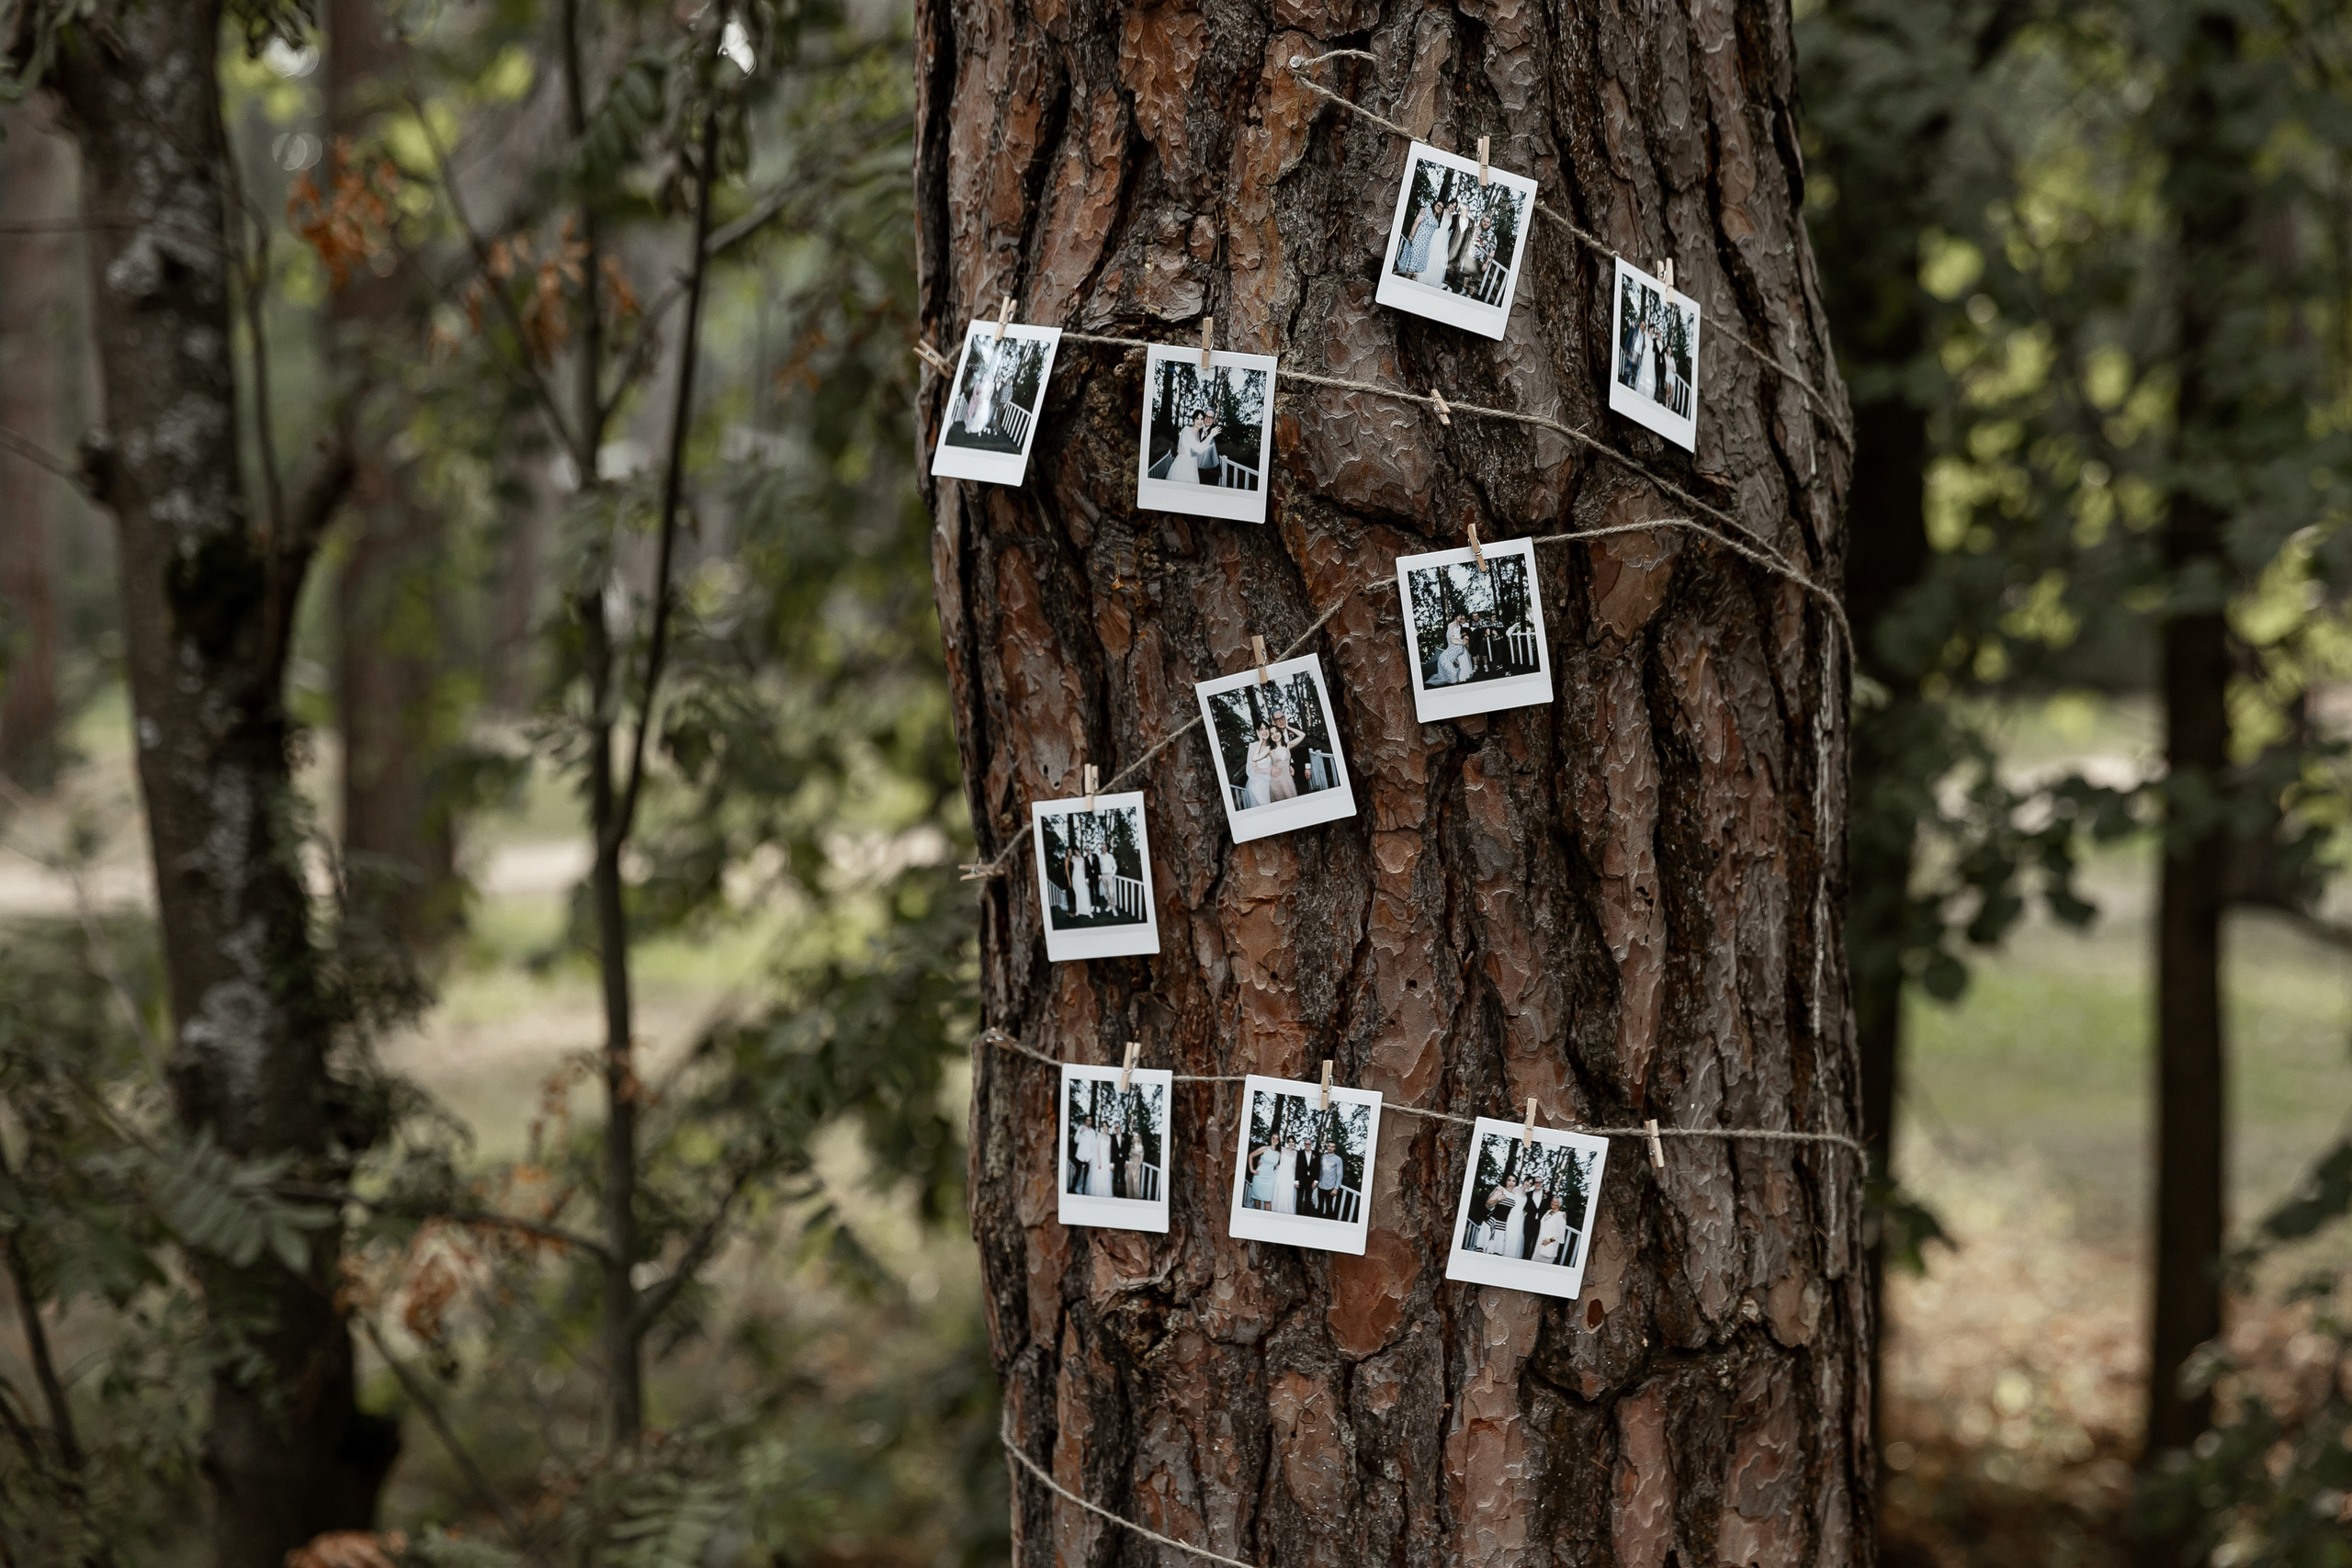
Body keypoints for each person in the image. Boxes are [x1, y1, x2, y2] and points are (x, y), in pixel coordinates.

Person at [1396, 195, 1442, 276]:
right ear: (1434, 204)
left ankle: (1411, 280)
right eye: (1439, 205)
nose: (1440, 208)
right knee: (1412, 265)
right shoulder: (1426, 211)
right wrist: (1412, 236)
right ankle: (1406, 279)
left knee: (1417, 268)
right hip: (1418, 240)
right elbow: (1416, 222)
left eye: (1441, 208)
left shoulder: (1437, 220)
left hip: (1425, 245)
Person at [1264, 712, 1306, 802]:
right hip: (1276, 780)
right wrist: (1270, 769)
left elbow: (1303, 736)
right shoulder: (1269, 747)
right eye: (1272, 734)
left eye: (1276, 732)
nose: (1275, 735)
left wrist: (1287, 726)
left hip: (1291, 777)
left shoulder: (1287, 744)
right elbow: (1260, 763)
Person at [1171, 407, 1218, 484]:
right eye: (1197, 419)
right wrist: (1211, 435)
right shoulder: (1187, 430)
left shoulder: (1198, 433)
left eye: (1202, 419)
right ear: (1193, 420)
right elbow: (1198, 449)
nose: (1200, 421)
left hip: (1193, 465)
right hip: (1184, 465)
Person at [1416, 198, 1454, 288]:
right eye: (1452, 204)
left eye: (1455, 206)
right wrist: (1422, 210)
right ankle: (1423, 277)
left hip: (1444, 239)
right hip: (1436, 234)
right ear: (1449, 203)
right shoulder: (1441, 210)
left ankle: (1433, 280)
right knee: (1430, 254)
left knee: (1438, 258)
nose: (1453, 207)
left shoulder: (1453, 217)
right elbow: (1432, 212)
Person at [1431, 615, 1476, 685]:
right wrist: (1456, 641)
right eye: (1459, 616)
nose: (1460, 617)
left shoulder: (1459, 625)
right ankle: (1459, 677)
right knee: (1457, 660)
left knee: (1463, 658)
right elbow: (1450, 636)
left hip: (1460, 642)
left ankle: (1465, 675)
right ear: (1455, 617)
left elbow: (1461, 634)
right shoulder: (1450, 625)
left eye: (1461, 616)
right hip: (1455, 643)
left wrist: (1462, 641)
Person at [1243, 721, 1275, 810]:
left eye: (1266, 728)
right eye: (1261, 729)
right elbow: (1253, 769)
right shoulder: (1253, 746)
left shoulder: (1272, 745)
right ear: (1257, 732)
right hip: (1258, 783)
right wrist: (1269, 770)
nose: (1264, 731)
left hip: (1272, 780)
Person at [1246, 1138, 1281, 1210]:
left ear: (1279, 1141)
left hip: (1270, 1179)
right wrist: (1252, 1170)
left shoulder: (1278, 1153)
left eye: (1277, 1139)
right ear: (1271, 1139)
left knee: (1268, 1201)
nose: (1275, 1140)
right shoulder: (1264, 1148)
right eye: (1273, 1138)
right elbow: (1251, 1155)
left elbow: (1276, 1165)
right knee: (1257, 1199)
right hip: (1259, 1176)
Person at [1535, 1194, 1567, 1265]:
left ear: (1560, 1204)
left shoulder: (1560, 1216)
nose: (1553, 1203)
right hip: (1540, 1241)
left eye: (1556, 1202)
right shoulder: (1548, 1212)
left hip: (1550, 1243)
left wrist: (1550, 1240)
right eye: (1552, 1201)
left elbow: (1561, 1233)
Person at [1316, 1140, 1343, 1219]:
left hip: (1331, 1187)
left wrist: (1336, 1188)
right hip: (1321, 1186)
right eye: (1329, 1146)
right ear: (1327, 1146)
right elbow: (1319, 1171)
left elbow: (1339, 1175)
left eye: (1332, 1147)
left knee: (1329, 1207)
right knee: (1320, 1206)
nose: (1330, 1148)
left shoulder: (1338, 1159)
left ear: (1335, 1148)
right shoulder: (1323, 1157)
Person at [1272, 1136, 1299, 1215]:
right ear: (1287, 1142)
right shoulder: (1282, 1150)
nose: (1291, 1143)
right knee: (1279, 1191)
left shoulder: (1296, 1153)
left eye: (1292, 1141)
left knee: (1288, 1194)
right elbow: (1276, 1160)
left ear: (1295, 1143)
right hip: (1280, 1174)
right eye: (1289, 1141)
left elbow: (1294, 1166)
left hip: (1290, 1176)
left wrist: (1296, 1180)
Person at [1071, 1114, 1098, 1195]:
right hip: (1079, 1156)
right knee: (1077, 1173)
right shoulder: (1081, 1128)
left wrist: (1091, 1157)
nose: (1088, 1121)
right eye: (1087, 1120)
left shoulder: (1093, 1132)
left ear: (1091, 1122)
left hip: (1088, 1157)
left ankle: (1084, 1191)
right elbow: (1076, 1140)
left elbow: (1093, 1146)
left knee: (1086, 1175)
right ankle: (1072, 1189)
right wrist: (1080, 1132)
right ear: (1085, 1120)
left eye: (1090, 1120)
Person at [1066, 846, 1093, 919]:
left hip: (1081, 877)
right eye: (1074, 852)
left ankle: (1088, 911)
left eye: (1077, 851)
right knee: (1077, 894)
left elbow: (1083, 870)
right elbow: (1068, 865)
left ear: (1079, 851)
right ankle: (1078, 911)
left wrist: (1085, 879)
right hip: (1075, 878)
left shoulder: (1082, 859)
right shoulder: (1073, 858)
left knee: (1084, 893)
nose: (1076, 853)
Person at [1125, 1127, 1146, 1200]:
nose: (1135, 1138)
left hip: (1136, 1167)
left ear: (1139, 1138)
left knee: (1136, 1185)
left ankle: (1137, 1199)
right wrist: (1130, 1155)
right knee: (1129, 1184)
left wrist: (1136, 1169)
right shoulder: (1132, 1146)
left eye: (1137, 1136)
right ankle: (1129, 1198)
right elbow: (1130, 1156)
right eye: (1134, 1136)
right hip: (1130, 1166)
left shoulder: (1141, 1147)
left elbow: (1141, 1159)